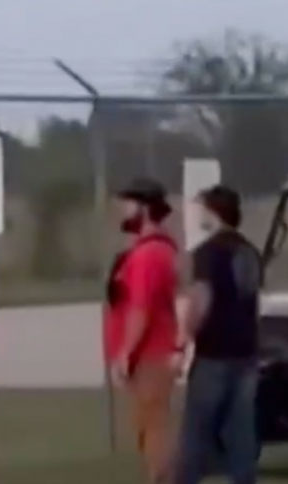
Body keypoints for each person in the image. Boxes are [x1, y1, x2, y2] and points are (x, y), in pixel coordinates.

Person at [176, 185, 260, 484]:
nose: (199, 214)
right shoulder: (250, 251)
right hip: (247, 353)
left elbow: (202, 298)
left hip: (214, 355)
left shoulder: (208, 252)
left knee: (195, 434)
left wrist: (183, 339)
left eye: (202, 208)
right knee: (242, 437)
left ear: (214, 211)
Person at [104, 178, 181, 484]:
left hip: (151, 354)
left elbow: (141, 308)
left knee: (154, 428)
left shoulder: (149, 254)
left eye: (128, 204)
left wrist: (126, 352)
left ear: (145, 208)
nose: (122, 210)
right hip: (151, 353)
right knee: (147, 426)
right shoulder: (154, 249)